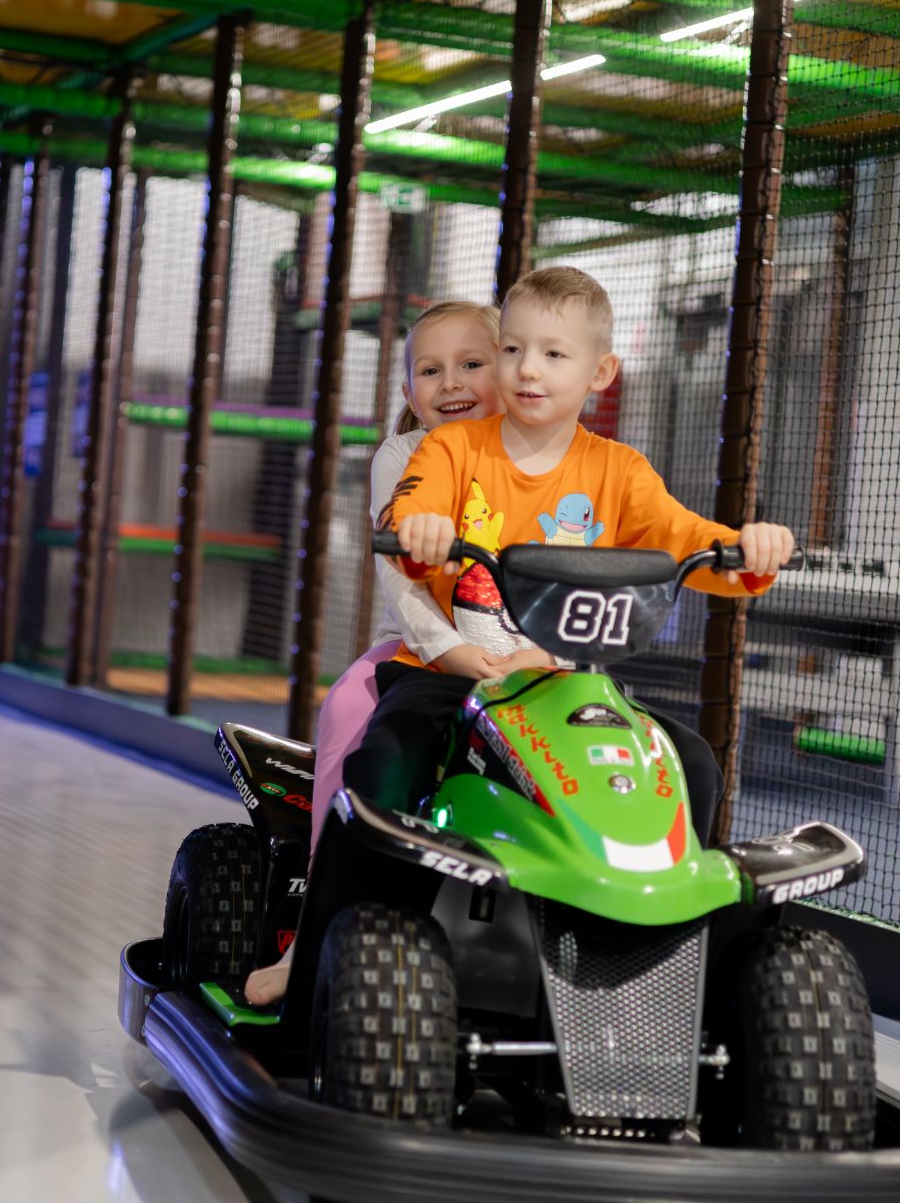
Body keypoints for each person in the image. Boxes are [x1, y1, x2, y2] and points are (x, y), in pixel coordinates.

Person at [365, 265, 796, 861]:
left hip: (563, 679)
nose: (528, 369)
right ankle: (354, 906)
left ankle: (663, 910)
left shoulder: (619, 470)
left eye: (553, 354)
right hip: (441, 677)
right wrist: (420, 529)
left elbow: (683, 538)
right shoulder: (450, 448)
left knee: (691, 762)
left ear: (600, 372)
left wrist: (748, 548)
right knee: (387, 759)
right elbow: (413, 509)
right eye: (512, 350)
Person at [241, 299, 503, 1006]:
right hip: (420, 646)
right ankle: (313, 927)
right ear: (409, 391)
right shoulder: (403, 456)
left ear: (508, 371)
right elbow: (405, 585)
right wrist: (450, 650)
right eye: (431, 370)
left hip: (524, 662)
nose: (452, 382)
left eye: (471, 364)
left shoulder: (539, 458)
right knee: (352, 715)